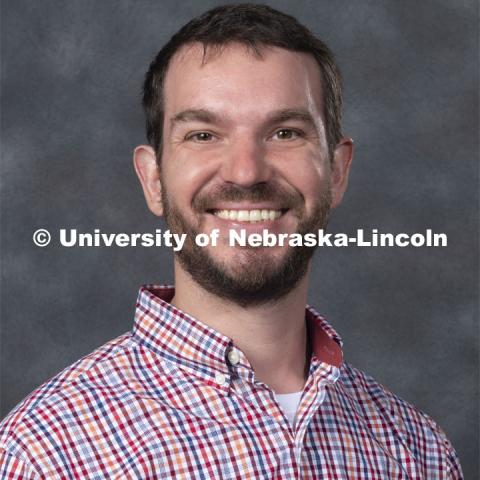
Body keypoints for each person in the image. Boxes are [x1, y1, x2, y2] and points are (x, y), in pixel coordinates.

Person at [0, 4, 463, 479]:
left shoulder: (417, 451)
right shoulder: (46, 453)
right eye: (203, 135)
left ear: (337, 171)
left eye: (285, 132)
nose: (246, 171)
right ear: (153, 180)